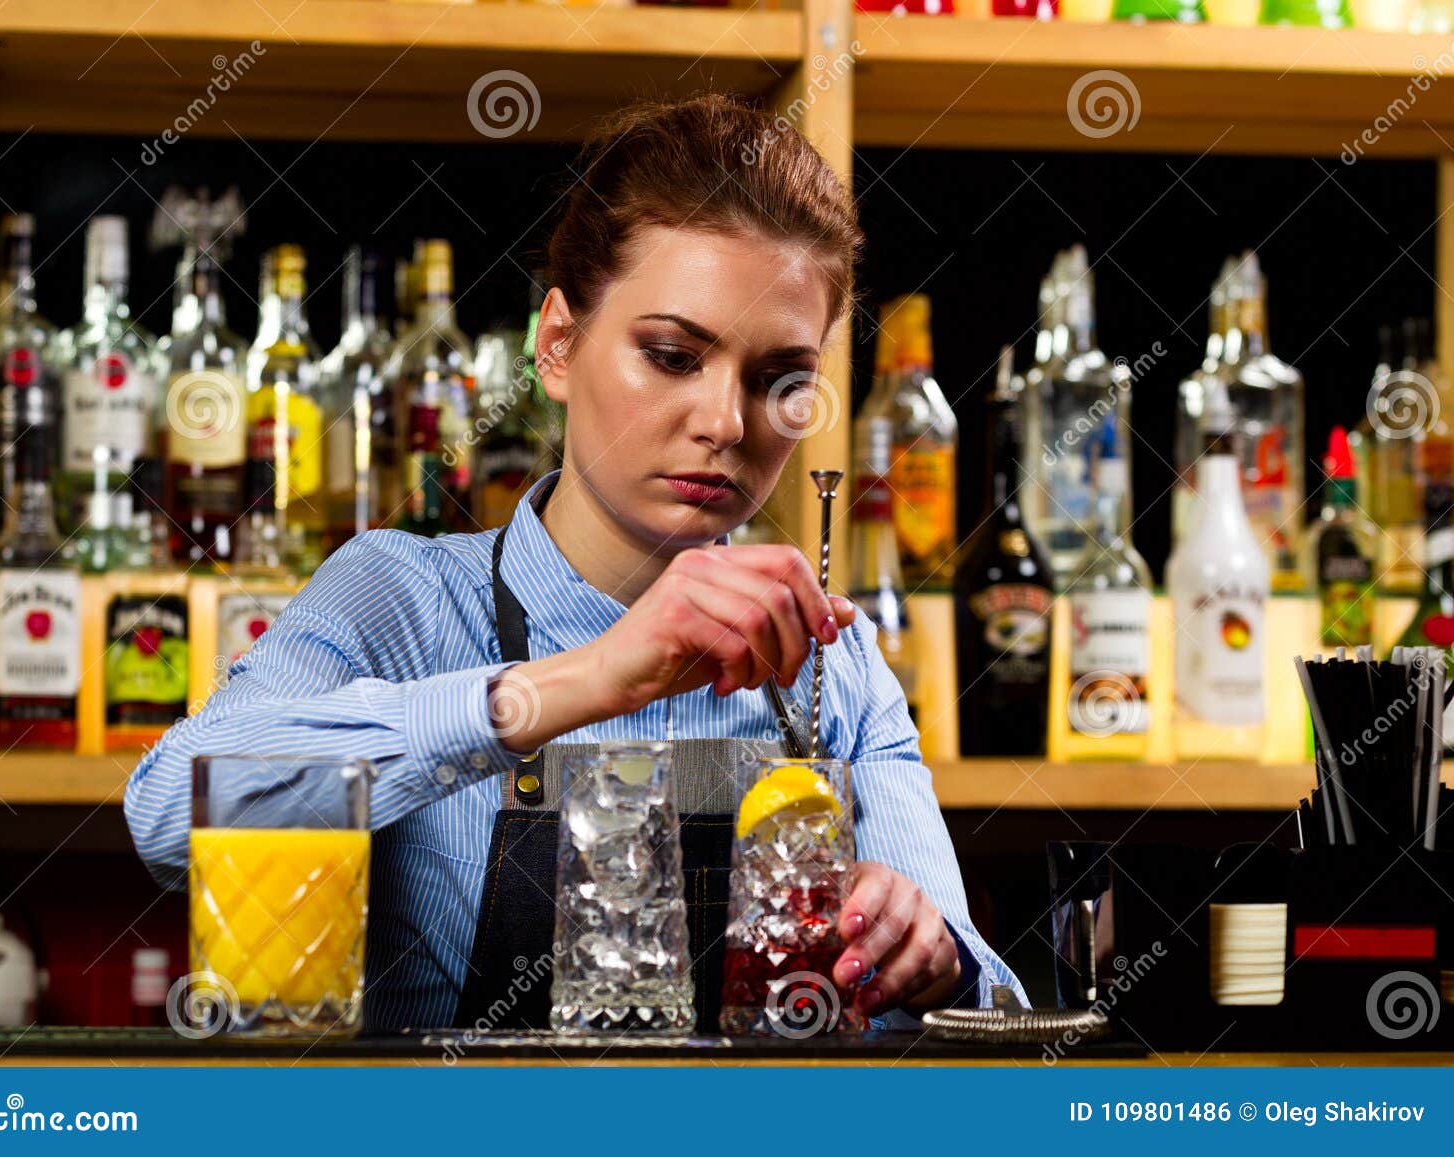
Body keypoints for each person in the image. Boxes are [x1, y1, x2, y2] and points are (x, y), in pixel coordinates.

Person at [125, 92, 1026, 1032]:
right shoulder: (402, 598)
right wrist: (582, 680)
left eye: (779, 380)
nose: (725, 423)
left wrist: (937, 963)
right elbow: (168, 809)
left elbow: (997, 1020)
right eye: (674, 355)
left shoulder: (832, 667)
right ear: (558, 344)